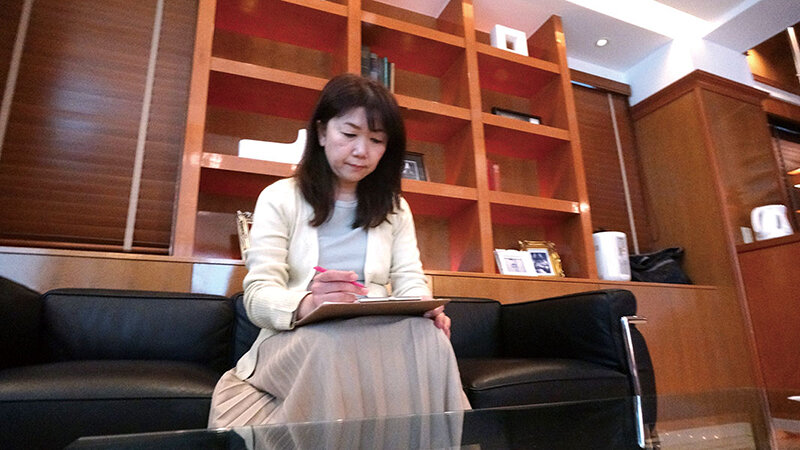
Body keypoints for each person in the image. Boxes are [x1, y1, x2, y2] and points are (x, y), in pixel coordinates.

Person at [208, 74, 470, 428]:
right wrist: (308, 303)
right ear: (321, 132)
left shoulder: (395, 208)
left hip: (372, 333)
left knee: (431, 339)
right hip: (299, 339)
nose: (362, 151)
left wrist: (425, 307)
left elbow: (409, 279)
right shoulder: (279, 198)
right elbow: (257, 295)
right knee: (329, 342)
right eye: (349, 134)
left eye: (376, 140)